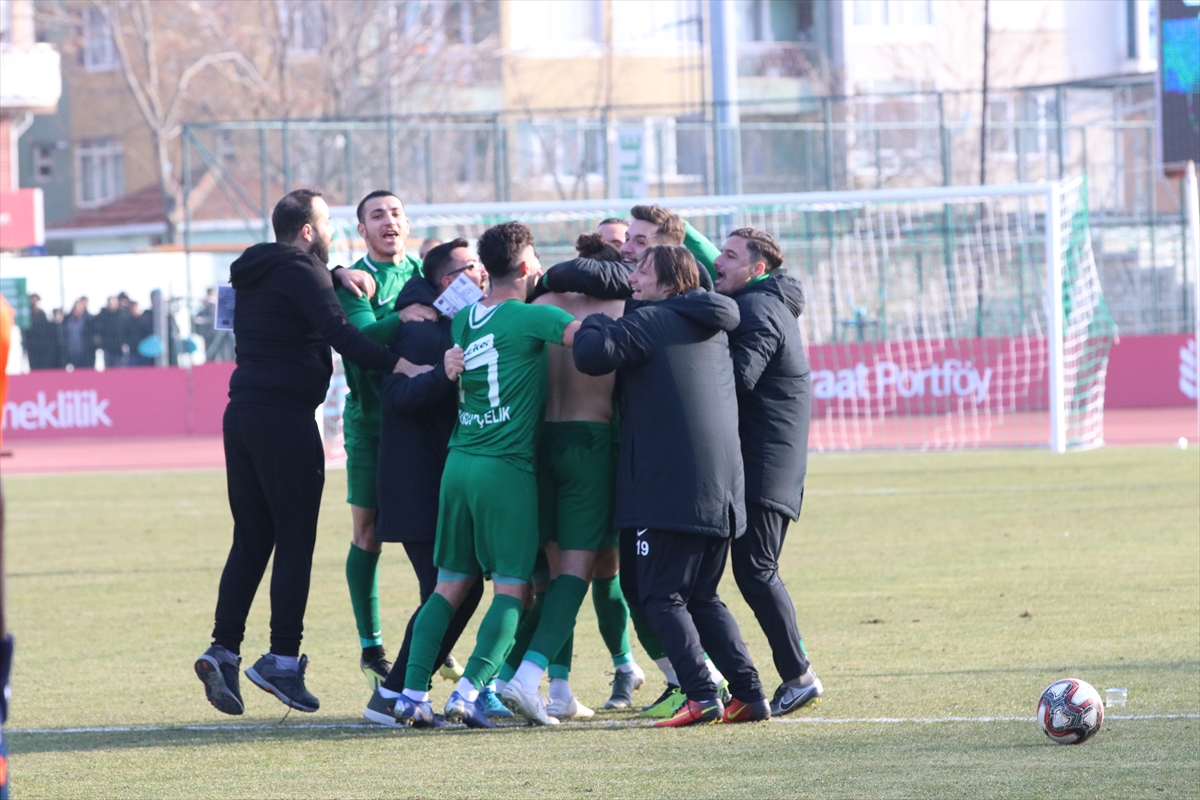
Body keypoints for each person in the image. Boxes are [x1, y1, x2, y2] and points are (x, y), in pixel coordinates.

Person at [194, 189, 405, 716]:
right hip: (285, 420)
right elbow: (341, 334)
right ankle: (282, 659)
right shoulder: (303, 271)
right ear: (308, 231)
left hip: (240, 414)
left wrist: (330, 273)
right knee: (294, 542)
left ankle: (223, 648)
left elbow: (299, 294)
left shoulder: (254, 269)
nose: (333, 230)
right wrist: (401, 365)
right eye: (329, 222)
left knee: (252, 538)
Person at [393, 222, 581, 729]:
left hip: (459, 466)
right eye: (537, 258)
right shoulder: (531, 317)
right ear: (524, 267)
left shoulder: (464, 321)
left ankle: (411, 693)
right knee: (514, 590)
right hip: (506, 468)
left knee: (448, 586)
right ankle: (472, 689)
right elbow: (587, 339)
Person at [574, 245, 770, 727]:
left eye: (642, 269)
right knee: (701, 597)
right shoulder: (709, 323)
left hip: (668, 491)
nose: (632, 277)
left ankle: (702, 694)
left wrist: (596, 321)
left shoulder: (655, 320)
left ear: (669, 282)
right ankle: (748, 693)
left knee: (658, 594)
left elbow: (591, 355)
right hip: (720, 492)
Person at [362, 239, 491, 727]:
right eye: (470, 267)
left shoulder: (458, 323)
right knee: (448, 589)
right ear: (447, 282)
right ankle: (394, 694)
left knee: (459, 589)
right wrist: (444, 373)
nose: (479, 273)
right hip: (417, 485)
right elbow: (396, 395)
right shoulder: (420, 331)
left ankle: (401, 692)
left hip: (441, 482)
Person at [713, 228, 823, 716]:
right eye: (719, 251)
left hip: (763, 468)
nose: (719, 260)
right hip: (762, 464)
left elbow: (738, 378)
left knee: (756, 571)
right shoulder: (764, 303)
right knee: (749, 572)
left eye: (731, 255)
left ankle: (798, 675)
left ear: (757, 269)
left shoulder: (758, 309)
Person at [334, 190, 430, 691]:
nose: (388, 221)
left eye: (395, 213)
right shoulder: (354, 281)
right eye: (377, 216)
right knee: (368, 534)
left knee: (435, 538)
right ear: (363, 231)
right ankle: (372, 647)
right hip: (371, 423)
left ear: (407, 223)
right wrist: (404, 318)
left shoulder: (428, 274)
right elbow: (364, 341)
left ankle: (434, 640)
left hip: (421, 422)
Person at [92, 296, 126, 369]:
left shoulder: (122, 315)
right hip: (107, 348)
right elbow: (95, 326)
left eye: (112, 302)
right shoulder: (103, 315)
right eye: (109, 302)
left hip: (119, 349)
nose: (110, 304)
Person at [63, 297, 93, 369]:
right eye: (75, 307)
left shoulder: (89, 321)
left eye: (78, 308)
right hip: (70, 354)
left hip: (85, 354)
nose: (76, 310)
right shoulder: (66, 321)